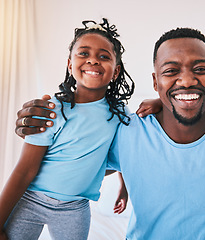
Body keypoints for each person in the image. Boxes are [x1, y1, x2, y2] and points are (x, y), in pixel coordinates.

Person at [15, 28, 205, 239]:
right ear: (155, 82)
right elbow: (73, 160)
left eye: (201, 69)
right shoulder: (127, 130)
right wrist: (39, 125)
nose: (187, 80)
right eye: (171, 71)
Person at [0, 18, 133, 240]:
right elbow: (24, 170)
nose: (93, 60)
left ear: (116, 71)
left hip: (75, 208)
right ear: (70, 65)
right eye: (84, 53)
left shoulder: (119, 113)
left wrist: (124, 184)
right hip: (32, 200)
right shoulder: (50, 110)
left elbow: (126, 153)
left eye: (103, 56)